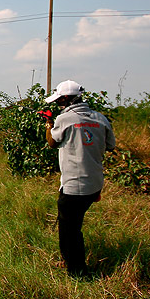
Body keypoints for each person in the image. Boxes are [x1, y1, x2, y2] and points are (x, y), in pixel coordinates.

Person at [43, 80, 115, 278]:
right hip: (94, 184)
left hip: (74, 185)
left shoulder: (64, 119)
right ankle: (68, 259)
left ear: (66, 99)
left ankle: (77, 272)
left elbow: (51, 141)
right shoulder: (101, 118)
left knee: (70, 230)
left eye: (59, 100)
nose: (58, 104)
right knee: (73, 221)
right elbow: (110, 146)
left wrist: (49, 123)